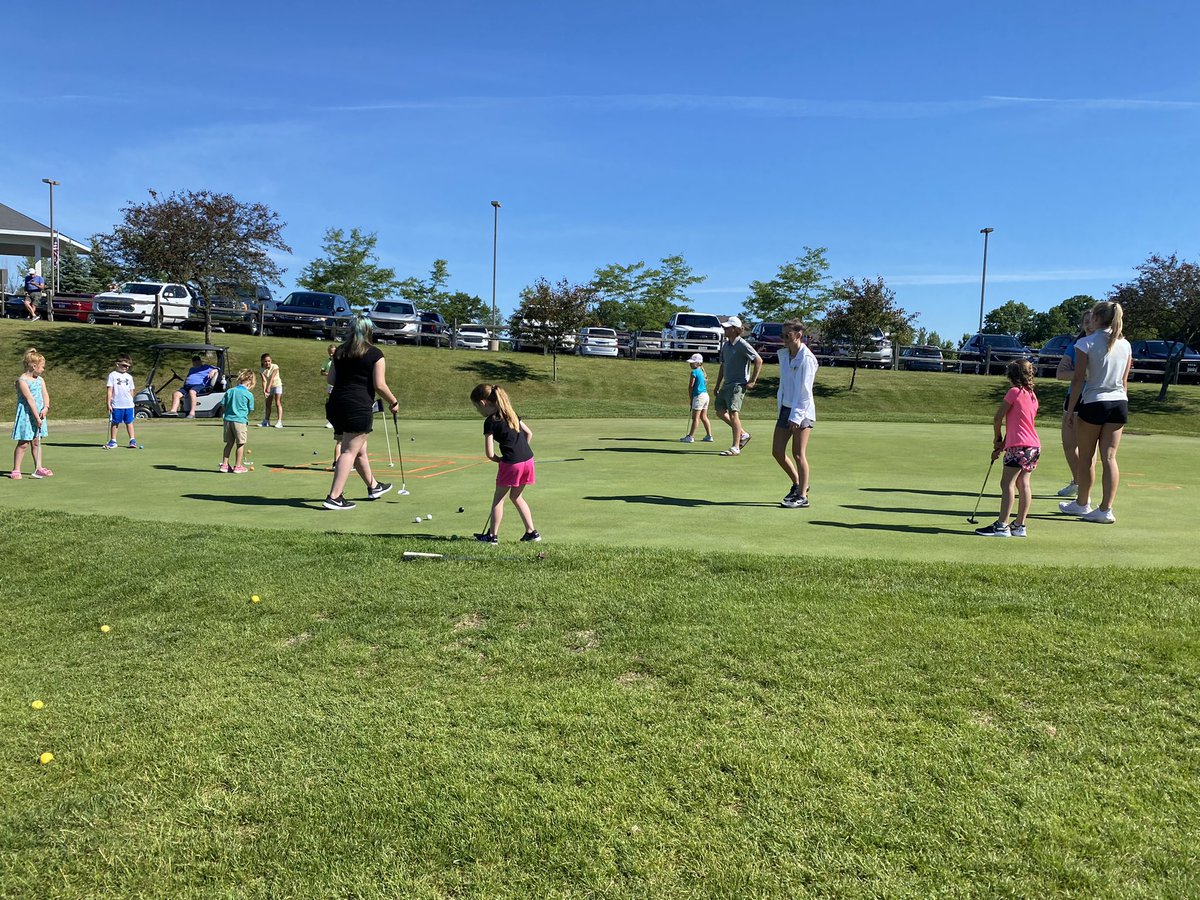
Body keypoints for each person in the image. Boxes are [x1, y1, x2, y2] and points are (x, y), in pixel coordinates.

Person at [1060, 300, 1132, 524]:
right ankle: (1105, 509)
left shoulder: (1085, 343)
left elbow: (1079, 379)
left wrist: (1071, 410)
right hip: (1119, 403)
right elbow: (1124, 381)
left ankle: (1082, 504)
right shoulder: (1126, 345)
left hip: (1093, 402)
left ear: (1098, 318)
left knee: (1087, 457)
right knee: (1109, 457)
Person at [323, 315, 397, 510]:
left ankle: (373, 486)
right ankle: (334, 497)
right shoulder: (375, 353)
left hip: (336, 405)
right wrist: (393, 401)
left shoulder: (340, 351)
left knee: (358, 449)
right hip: (358, 405)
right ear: (368, 331)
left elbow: (331, 379)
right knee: (349, 451)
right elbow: (379, 385)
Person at [975, 358, 1041, 537]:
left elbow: (998, 418)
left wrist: (997, 438)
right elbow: (1020, 425)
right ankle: (1020, 525)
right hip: (1033, 446)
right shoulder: (1032, 396)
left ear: (1011, 375)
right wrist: (1003, 444)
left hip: (1019, 446)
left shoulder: (1013, 392)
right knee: (1023, 483)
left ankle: (1002, 525)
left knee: (1007, 483)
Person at [470, 383, 539, 543]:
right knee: (517, 497)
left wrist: (500, 459)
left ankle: (492, 536)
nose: (478, 411)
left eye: (477, 407)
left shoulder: (490, 421)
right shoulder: (511, 413)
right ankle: (532, 532)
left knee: (498, 500)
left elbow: (489, 453)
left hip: (511, 463)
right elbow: (529, 433)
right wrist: (520, 452)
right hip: (528, 460)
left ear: (483, 403)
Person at [773, 320, 819, 508]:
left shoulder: (807, 359)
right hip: (785, 408)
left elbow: (805, 392)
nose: (783, 339)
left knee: (798, 453)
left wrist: (796, 416)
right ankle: (798, 484)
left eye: (787, 335)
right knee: (777, 452)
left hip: (802, 411)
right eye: (782, 335)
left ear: (798, 335)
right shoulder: (784, 355)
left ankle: (802, 497)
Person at [1053, 310, 1095, 498]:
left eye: (1091, 321)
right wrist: (1082, 374)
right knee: (1070, 445)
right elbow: (1061, 373)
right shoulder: (1075, 345)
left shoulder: (1105, 345)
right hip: (1073, 398)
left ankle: (1084, 488)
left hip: (1094, 399)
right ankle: (1078, 481)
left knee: (1088, 448)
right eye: (1085, 321)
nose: (1088, 325)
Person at [713, 316, 762, 456]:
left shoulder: (742, 344)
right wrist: (717, 385)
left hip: (738, 385)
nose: (725, 329)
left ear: (735, 329)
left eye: (727, 327)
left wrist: (752, 380)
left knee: (734, 414)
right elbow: (723, 365)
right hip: (727, 384)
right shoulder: (726, 345)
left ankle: (735, 447)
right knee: (720, 411)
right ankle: (743, 434)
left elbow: (758, 360)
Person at [11, 347, 52, 479]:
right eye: (42, 367)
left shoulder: (40, 380)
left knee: (36, 441)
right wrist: (36, 418)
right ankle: (16, 470)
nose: (43, 369)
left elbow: (45, 395)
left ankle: (38, 467)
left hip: (40, 414)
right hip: (27, 415)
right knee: (23, 443)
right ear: (34, 366)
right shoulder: (22, 381)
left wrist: (46, 407)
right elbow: (30, 400)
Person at [220, 370, 256, 473]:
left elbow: (223, 404)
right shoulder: (248, 394)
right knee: (240, 443)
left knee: (229, 443)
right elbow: (250, 409)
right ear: (249, 381)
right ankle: (238, 466)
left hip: (227, 420)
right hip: (240, 421)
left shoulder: (230, 391)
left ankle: (225, 465)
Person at [105, 353, 138, 449]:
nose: (126, 368)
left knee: (129, 422)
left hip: (128, 404)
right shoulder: (112, 375)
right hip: (116, 404)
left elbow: (131, 390)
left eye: (128, 366)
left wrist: (131, 401)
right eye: (124, 365)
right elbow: (110, 390)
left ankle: (132, 440)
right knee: (115, 422)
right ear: (117, 364)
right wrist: (108, 403)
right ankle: (113, 441)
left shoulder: (129, 377)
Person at [679, 353, 713, 443]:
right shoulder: (702, 372)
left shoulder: (694, 372)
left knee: (695, 418)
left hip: (698, 396)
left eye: (692, 362)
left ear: (698, 363)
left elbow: (691, 386)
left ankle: (690, 436)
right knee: (704, 416)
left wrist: (691, 398)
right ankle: (709, 436)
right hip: (705, 396)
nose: (690, 364)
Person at [259, 352, 283, 428]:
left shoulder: (275, 366)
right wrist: (264, 391)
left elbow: (272, 378)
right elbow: (264, 381)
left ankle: (279, 422)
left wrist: (268, 388)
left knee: (277, 403)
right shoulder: (261, 370)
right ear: (262, 362)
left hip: (277, 386)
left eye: (269, 361)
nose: (267, 363)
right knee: (268, 404)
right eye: (265, 361)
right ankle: (266, 421)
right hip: (270, 387)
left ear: (271, 361)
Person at [321, 345, 335, 430]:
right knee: (331, 403)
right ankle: (330, 421)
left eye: (333, 352)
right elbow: (322, 372)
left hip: (340, 385)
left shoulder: (340, 361)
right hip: (331, 385)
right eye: (330, 352)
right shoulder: (326, 361)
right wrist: (329, 374)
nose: (331, 354)